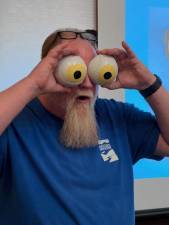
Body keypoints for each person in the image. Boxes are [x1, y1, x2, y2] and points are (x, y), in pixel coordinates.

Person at [0, 28, 169, 225]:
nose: (87, 83)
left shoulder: (116, 117)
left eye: (93, 70)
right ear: (49, 70)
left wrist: (148, 83)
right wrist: (33, 83)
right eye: (75, 70)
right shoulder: (14, 123)